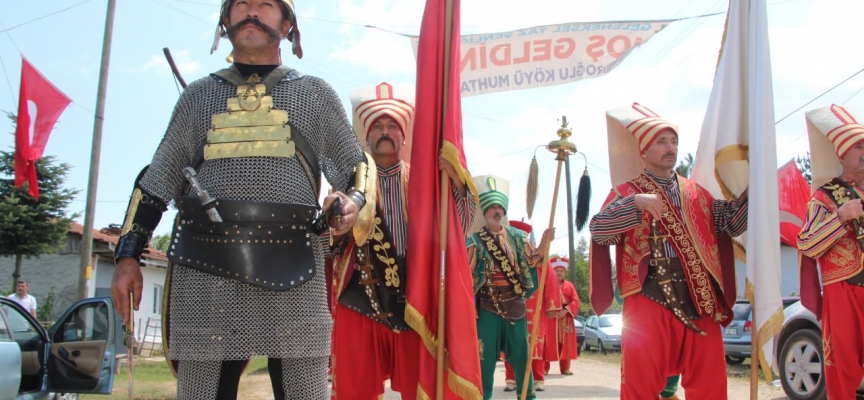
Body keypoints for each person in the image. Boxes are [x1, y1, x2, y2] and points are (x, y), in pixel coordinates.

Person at [110, 1, 368, 398]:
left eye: (264, 5)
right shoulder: (197, 98)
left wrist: (350, 202)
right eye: (242, 5)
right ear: (224, 21)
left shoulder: (314, 95)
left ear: (287, 25)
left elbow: (356, 170)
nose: (251, 13)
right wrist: (128, 255)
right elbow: (156, 181)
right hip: (206, 262)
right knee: (203, 390)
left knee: (302, 388)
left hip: (293, 259)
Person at [589, 103, 747, 399]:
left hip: (700, 297)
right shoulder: (626, 192)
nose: (670, 147)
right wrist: (633, 204)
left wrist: (755, 190)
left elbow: (730, 223)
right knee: (640, 386)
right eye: (661, 141)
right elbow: (599, 230)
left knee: (710, 385)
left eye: (673, 141)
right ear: (643, 152)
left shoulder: (697, 193)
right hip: (649, 297)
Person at [329, 83, 475, 399]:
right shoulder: (349, 182)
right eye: (377, 126)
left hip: (414, 301)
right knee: (354, 391)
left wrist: (456, 182)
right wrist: (336, 223)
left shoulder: (424, 180)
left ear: (403, 137)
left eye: (392, 126)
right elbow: (331, 242)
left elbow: (458, 229)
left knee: (422, 389)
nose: (385, 132)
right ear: (365, 138)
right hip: (360, 297)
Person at [466, 176, 555, 400]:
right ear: (485, 211)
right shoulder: (474, 241)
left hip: (516, 306)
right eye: (492, 207)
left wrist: (544, 243)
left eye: (499, 207)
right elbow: (466, 275)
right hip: (488, 306)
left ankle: (527, 396)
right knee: (484, 361)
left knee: (522, 357)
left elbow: (534, 260)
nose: (496, 211)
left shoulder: (518, 237)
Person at [797, 104, 864, 399]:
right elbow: (807, 243)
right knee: (842, 366)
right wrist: (841, 216)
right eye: (859, 146)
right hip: (844, 288)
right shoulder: (825, 195)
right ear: (843, 155)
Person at [502, 221, 561, 392]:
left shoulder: (534, 256)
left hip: (534, 305)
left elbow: (548, 279)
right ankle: (511, 378)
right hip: (510, 303)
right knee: (511, 342)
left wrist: (544, 241)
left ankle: (538, 378)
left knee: (536, 342)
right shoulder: (504, 254)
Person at [547, 256, 579, 376]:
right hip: (551, 317)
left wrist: (565, 311)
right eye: (557, 270)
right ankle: (545, 368)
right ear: (553, 271)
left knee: (566, 344)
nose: (559, 273)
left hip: (566, 317)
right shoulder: (547, 284)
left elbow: (575, 301)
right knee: (548, 342)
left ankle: (565, 368)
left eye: (562, 271)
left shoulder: (569, 286)